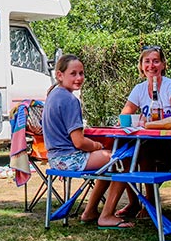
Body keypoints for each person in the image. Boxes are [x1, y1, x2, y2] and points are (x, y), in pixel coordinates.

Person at [42, 54, 133, 229]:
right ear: (60, 75)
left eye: (81, 73)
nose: (79, 78)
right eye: (73, 73)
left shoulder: (53, 95)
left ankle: (90, 211)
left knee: (109, 162)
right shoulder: (69, 100)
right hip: (69, 159)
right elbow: (79, 142)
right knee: (123, 160)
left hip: (55, 159)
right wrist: (97, 145)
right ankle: (106, 215)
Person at [116, 45, 171, 219]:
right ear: (141, 66)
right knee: (123, 154)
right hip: (147, 140)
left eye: (156, 61)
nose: (151, 65)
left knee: (143, 151)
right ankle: (133, 203)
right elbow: (124, 115)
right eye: (147, 61)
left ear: (163, 64)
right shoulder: (139, 89)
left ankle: (151, 200)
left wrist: (155, 124)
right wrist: (134, 121)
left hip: (170, 145)